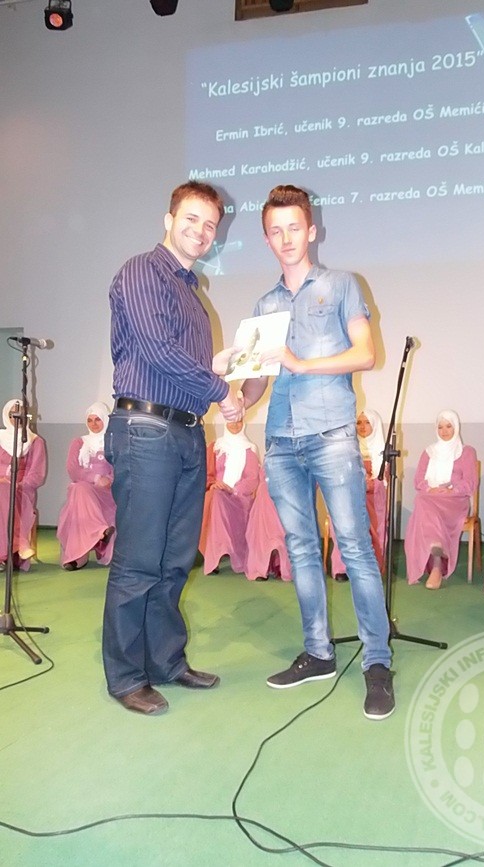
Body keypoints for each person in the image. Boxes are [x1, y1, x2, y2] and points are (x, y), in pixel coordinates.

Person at [240, 184, 394, 721]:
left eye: (293, 228)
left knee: (355, 548)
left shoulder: (342, 285)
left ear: (311, 230)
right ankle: (318, 653)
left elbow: (366, 353)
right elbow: (258, 380)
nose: (285, 238)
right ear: (267, 239)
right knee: (302, 550)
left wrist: (302, 364)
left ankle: (377, 662)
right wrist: (236, 400)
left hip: (331, 434)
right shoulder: (264, 306)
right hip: (280, 441)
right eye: (275, 231)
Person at [102, 181, 243, 716]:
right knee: (139, 561)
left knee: (175, 561)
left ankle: (165, 661)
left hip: (185, 432)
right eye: (191, 219)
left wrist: (224, 369)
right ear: (168, 220)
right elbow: (158, 352)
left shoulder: (193, 296)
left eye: (210, 225)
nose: (201, 232)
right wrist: (221, 390)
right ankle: (125, 676)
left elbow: (184, 367)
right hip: (145, 430)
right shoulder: (142, 271)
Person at [404, 410, 478, 589]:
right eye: (440, 427)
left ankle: (437, 564)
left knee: (423, 503)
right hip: (431, 497)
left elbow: (470, 483)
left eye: (448, 426)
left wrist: (450, 489)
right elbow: (418, 481)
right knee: (422, 500)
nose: (444, 431)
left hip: (454, 501)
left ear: (456, 427)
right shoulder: (429, 452)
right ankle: (437, 557)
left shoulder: (466, 452)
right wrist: (431, 489)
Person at [328, 409, 388, 581]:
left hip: (372, 498)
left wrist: (370, 483)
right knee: (343, 515)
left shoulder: (382, 451)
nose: (362, 426)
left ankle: (369, 566)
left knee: (363, 514)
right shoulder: (347, 448)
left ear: (375, 425)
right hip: (350, 495)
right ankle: (343, 567)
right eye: (359, 423)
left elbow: (384, 481)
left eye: (367, 422)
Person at [57, 402, 116, 571]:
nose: (93, 424)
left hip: (106, 493)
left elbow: (119, 468)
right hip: (83, 490)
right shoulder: (78, 442)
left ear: (105, 420)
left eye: (98, 419)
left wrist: (108, 479)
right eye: (90, 420)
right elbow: (73, 470)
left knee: (78, 496)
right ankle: (99, 533)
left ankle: (77, 556)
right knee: (79, 489)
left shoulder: (113, 443)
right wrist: (96, 478)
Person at [200, 420, 260, 575]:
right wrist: (214, 484)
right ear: (225, 423)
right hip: (217, 493)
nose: (235, 425)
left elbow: (252, 479)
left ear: (244, 424)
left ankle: (219, 557)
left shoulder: (250, 449)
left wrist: (233, 490)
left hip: (239, 497)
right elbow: (206, 474)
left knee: (218, 500)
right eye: (231, 422)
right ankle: (215, 557)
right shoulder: (215, 447)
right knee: (217, 497)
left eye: (239, 422)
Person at [0, 398, 47, 572]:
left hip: (22, 491)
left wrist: (16, 485)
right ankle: (18, 544)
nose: (16, 418)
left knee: (5, 492)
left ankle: (6, 552)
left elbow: (37, 475)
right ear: (6, 416)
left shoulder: (35, 441)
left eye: (20, 414)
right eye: (13, 414)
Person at [245, 463, 293, 582]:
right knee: (265, 491)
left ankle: (281, 562)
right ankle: (263, 564)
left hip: (291, 489)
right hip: (266, 495)